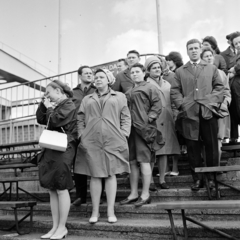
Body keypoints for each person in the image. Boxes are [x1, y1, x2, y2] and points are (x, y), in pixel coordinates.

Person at [74, 69, 131, 224]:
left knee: (111, 174)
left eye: (101, 77)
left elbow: (125, 115)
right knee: (95, 174)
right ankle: (95, 212)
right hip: (91, 139)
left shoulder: (119, 96)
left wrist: (124, 133)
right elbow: (80, 117)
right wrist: (81, 135)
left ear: (109, 79)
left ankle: (110, 211)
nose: (98, 79)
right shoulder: (87, 99)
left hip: (113, 139)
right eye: (96, 77)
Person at [171, 39, 225, 191]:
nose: (194, 51)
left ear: (200, 50)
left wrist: (210, 102)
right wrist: (183, 105)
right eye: (190, 49)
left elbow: (219, 88)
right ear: (187, 51)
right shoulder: (180, 71)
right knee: (193, 148)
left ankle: (212, 179)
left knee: (212, 147)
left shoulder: (211, 68)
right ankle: (197, 179)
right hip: (189, 115)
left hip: (208, 113)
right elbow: (175, 91)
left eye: (196, 48)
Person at [36, 80, 78, 239]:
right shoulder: (52, 106)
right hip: (51, 148)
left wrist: (48, 107)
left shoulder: (68, 104)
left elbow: (54, 121)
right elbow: (41, 119)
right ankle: (55, 226)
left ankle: (62, 227)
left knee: (61, 187)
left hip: (63, 148)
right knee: (52, 188)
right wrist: (43, 104)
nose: (47, 97)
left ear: (59, 91)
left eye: (48, 93)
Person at [120, 63, 163, 206]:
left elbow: (157, 106)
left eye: (137, 71)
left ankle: (145, 194)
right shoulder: (128, 91)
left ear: (144, 73)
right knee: (132, 162)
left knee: (144, 161)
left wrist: (148, 119)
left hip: (144, 130)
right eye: (132, 72)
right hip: (130, 130)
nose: (134, 74)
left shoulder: (150, 87)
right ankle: (133, 193)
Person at [145, 57, 180, 189]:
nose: (157, 70)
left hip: (167, 119)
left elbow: (173, 101)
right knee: (152, 152)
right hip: (153, 121)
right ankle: (150, 181)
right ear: (148, 71)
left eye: (158, 67)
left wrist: (175, 114)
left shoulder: (167, 83)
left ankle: (162, 179)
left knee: (164, 150)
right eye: (154, 68)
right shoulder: (145, 84)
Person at [201, 46, 231, 165]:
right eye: (206, 56)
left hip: (219, 111)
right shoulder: (199, 73)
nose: (209, 58)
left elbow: (227, 92)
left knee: (217, 141)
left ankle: (215, 169)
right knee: (205, 142)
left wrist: (225, 103)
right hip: (205, 111)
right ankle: (208, 170)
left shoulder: (221, 73)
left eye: (210, 55)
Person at [71, 65, 96, 207]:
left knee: (95, 163)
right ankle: (81, 196)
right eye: (86, 73)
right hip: (76, 132)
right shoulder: (72, 93)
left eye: (90, 73)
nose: (89, 75)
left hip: (94, 131)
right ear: (80, 75)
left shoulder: (97, 90)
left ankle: (97, 195)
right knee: (78, 165)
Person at [228, 32, 240, 143]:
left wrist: (234, 70)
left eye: (239, 42)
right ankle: (234, 137)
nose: (238, 45)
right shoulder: (236, 55)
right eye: (236, 43)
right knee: (235, 111)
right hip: (235, 88)